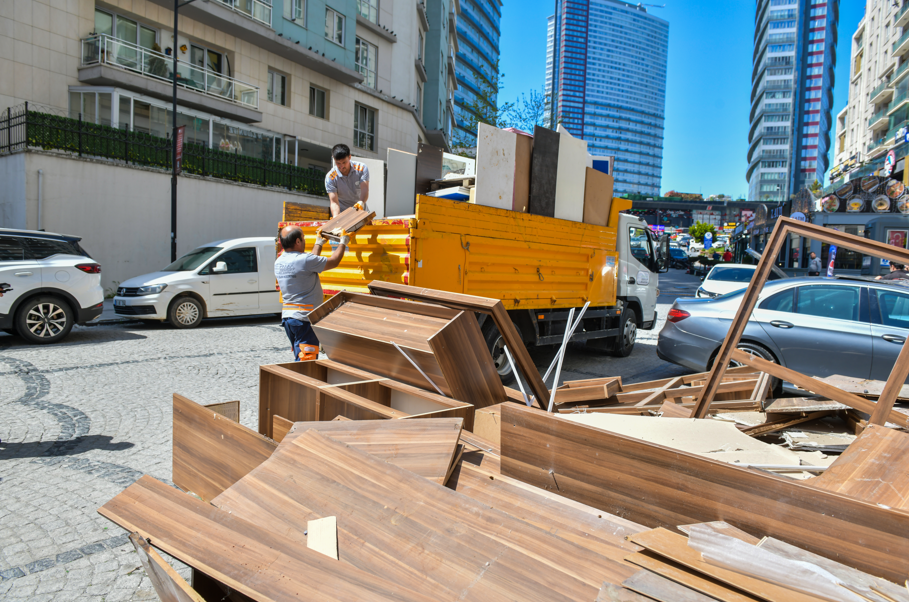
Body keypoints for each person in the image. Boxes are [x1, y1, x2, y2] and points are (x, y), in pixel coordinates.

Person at [274, 225, 349, 361]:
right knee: (306, 362)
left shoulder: (280, 261)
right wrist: (343, 242)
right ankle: (301, 382)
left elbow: (310, 264)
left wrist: (318, 243)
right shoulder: (304, 260)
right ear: (297, 241)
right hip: (304, 320)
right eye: (303, 238)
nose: (304, 240)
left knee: (300, 357)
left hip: (289, 319)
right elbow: (334, 262)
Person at [324, 144, 370, 217]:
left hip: (362, 213)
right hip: (343, 215)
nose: (341, 166)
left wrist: (361, 202)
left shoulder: (361, 168)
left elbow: (365, 189)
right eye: (338, 163)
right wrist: (336, 218)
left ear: (349, 157)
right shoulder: (330, 177)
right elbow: (334, 202)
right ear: (333, 158)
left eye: (344, 162)